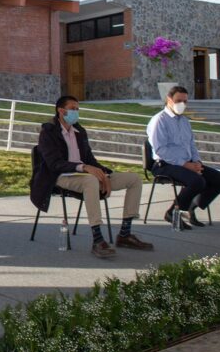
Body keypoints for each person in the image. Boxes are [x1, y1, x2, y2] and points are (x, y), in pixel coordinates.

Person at [32, 95, 154, 258]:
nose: (76, 112)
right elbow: (55, 164)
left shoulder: (79, 131)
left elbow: (90, 159)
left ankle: (125, 234)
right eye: (72, 109)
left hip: (85, 174)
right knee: (90, 180)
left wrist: (104, 175)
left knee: (134, 179)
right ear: (61, 111)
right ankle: (97, 239)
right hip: (60, 176)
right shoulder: (48, 132)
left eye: (77, 109)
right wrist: (84, 167)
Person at [147, 85, 220, 230]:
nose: (182, 105)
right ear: (169, 100)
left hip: (188, 163)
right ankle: (173, 212)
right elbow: (161, 149)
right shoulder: (159, 120)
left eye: (185, 101)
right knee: (197, 182)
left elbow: (191, 145)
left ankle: (190, 207)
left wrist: (197, 162)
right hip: (165, 165)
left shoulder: (184, 121)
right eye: (179, 100)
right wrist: (186, 165)